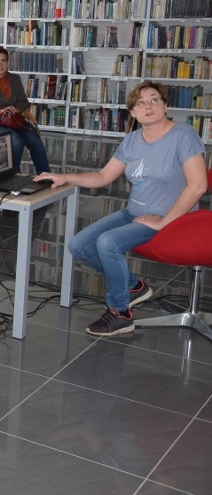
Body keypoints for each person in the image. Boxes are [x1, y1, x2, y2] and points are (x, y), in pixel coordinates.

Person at [35, 81, 207, 337]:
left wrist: (163, 222)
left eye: (154, 100)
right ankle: (133, 286)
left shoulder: (183, 135)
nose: (148, 106)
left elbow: (198, 186)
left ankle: (120, 313)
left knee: (107, 243)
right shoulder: (132, 140)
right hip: (135, 213)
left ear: (165, 106)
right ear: (133, 113)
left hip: (174, 218)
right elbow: (104, 176)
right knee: (78, 245)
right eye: (140, 103)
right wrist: (66, 177)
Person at [0, 46, 51, 174]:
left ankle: (45, 176)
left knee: (35, 141)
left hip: (15, 120)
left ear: (8, 63)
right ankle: (13, 177)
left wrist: (16, 108)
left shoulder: (15, 78)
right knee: (16, 142)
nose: (0, 65)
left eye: (3, 61)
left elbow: (24, 102)